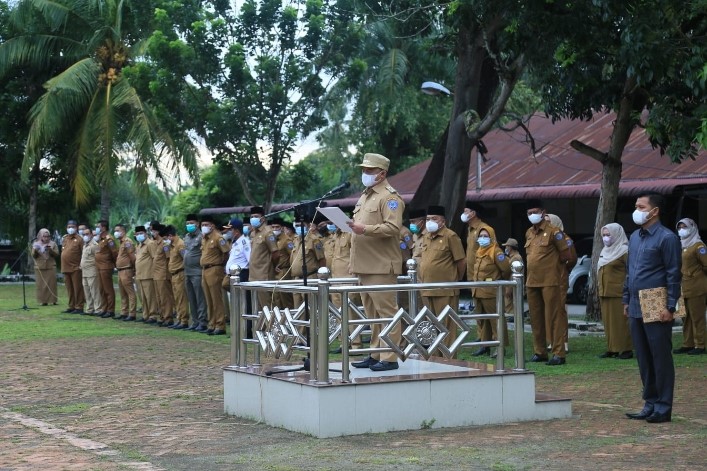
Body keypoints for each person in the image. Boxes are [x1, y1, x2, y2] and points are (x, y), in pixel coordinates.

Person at [623, 192, 681, 424]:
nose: (636, 210)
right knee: (644, 357)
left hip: (656, 300)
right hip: (636, 301)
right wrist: (626, 299)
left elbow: (674, 273)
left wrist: (670, 306)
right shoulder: (635, 237)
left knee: (660, 357)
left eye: (641, 206)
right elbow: (629, 271)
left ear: (654, 211)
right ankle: (650, 402)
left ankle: (663, 407)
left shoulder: (667, 238)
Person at [348, 153, 405, 372]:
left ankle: (390, 356)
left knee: (387, 313)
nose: (365, 174)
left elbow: (393, 228)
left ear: (382, 173)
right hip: (364, 264)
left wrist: (364, 229)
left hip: (381, 265)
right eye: (364, 170)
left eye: (370, 170)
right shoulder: (365, 196)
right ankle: (375, 353)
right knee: (372, 314)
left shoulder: (390, 198)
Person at [524, 200, 572, 366]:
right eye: (529, 213)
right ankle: (540, 351)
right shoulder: (529, 232)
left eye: (535, 212)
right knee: (535, 318)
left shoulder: (554, 231)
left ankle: (558, 353)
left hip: (550, 281)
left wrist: (555, 270)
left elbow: (566, 255)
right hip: (532, 281)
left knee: (554, 317)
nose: (532, 215)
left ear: (543, 212)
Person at [419, 205, 466, 356]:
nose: (430, 221)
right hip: (427, 289)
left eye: (434, 219)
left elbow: (461, 261)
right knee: (430, 326)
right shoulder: (426, 236)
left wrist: (454, 280)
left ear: (443, 221)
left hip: (445, 290)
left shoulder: (450, 236)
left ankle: (448, 358)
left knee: (446, 326)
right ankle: (434, 356)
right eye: (428, 219)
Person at [471, 226, 511, 357]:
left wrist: (497, 282)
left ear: (492, 237)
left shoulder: (496, 252)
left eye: (485, 236)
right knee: (483, 320)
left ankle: (500, 347)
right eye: (480, 236)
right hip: (478, 291)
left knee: (496, 320)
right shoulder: (479, 251)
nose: (482, 239)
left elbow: (506, 269)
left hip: (491, 292)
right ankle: (485, 345)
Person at [597, 223, 633, 359]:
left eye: (608, 235)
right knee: (608, 322)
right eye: (604, 235)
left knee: (621, 322)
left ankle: (626, 349)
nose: (606, 238)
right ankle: (612, 348)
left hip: (619, 292)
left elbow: (630, 271)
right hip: (605, 292)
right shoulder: (605, 250)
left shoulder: (624, 250)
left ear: (617, 234)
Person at [673, 218, 706, 355]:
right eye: (679, 227)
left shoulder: (698, 246)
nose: (681, 229)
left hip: (696, 286)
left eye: (684, 226)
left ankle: (701, 345)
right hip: (683, 287)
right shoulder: (682, 245)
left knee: (697, 316)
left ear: (692, 227)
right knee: (685, 316)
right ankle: (688, 343)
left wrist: (695, 275)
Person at [545, 214, 577, 353]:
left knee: (559, 310)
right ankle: (551, 341)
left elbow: (572, 259)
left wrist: (560, 267)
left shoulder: (565, 240)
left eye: (548, 222)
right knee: (548, 310)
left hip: (559, 278)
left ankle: (562, 341)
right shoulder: (543, 238)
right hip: (545, 279)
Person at [462, 204, 493, 337]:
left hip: (484, 275)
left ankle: (494, 339)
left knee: (489, 310)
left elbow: (491, 251)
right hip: (473, 275)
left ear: (473, 213)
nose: (463, 214)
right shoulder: (470, 229)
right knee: (478, 309)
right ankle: (482, 338)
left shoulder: (484, 229)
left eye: (466, 211)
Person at [200, 214, 230, 335]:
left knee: (216, 298)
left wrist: (220, 265)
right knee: (209, 298)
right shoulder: (205, 238)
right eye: (202, 225)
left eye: (206, 225)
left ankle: (220, 324)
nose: (204, 227)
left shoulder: (218, 238)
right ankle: (212, 323)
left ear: (212, 226)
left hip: (214, 269)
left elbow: (226, 253)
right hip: (205, 270)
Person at [248, 206, 280, 311]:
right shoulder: (253, 233)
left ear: (263, 218)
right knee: (257, 307)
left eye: (256, 216)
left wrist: (273, 266)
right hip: (253, 275)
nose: (253, 218)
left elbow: (275, 253)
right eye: (252, 216)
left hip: (264, 275)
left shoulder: (268, 233)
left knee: (267, 306)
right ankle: (260, 328)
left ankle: (270, 327)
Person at [289, 220, 326, 308]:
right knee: (297, 308)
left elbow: (321, 259)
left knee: (311, 306)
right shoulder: (296, 240)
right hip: (296, 278)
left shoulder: (314, 240)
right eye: (297, 225)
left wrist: (320, 277)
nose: (299, 227)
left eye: (301, 225)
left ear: (308, 225)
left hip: (310, 277)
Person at [183, 214, 208, 331]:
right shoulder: (187, 237)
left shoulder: (202, 236)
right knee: (191, 298)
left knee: (200, 298)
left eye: (191, 223)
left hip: (197, 271)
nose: (189, 225)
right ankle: (195, 321)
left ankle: (202, 322)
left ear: (197, 224)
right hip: (187, 272)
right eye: (187, 223)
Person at [166, 225, 190, 329]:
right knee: (176, 298)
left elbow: (185, 258)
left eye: (167, 237)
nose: (167, 239)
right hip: (174, 275)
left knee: (181, 298)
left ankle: (184, 320)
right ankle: (179, 318)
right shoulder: (172, 245)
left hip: (180, 273)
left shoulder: (180, 244)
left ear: (171, 235)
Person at [94, 220, 118, 318]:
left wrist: (113, 264)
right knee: (101, 289)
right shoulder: (100, 239)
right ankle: (104, 308)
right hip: (99, 267)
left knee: (108, 289)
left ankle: (110, 310)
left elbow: (114, 253)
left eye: (98, 226)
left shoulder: (109, 239)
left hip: (106, 267)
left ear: (103, 228)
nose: (96, 228)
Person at [151, 224, 174, 327]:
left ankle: (168, 317)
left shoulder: (164, 244)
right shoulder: (156, 244)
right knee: (159, 297)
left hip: (163, 274)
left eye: (154, 231)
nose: (152, 233)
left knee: (165, 297)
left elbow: (169, 258)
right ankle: (162, 316)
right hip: (156, 274)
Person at [134, 226, 158, 323]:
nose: (139, 235)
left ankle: (152, 315)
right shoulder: (139, 245)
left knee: (150, 296)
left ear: (145, 233)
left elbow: (154, 258)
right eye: (137, 234)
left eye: (141, 233)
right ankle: (145, 315)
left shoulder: (150, 244)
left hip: (148, 274)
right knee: (142, 297)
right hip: (139, 275)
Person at [60, 219, 84, 313]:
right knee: (69, 289)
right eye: (69, 227)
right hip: (65, 268)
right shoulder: (65, 238)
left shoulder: (79, 239)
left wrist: (81, 265)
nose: (70, 229)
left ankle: (79, 306)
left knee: (77, 288)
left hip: (75, 268)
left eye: (72, 227)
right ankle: (71, 306)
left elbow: (83, 253)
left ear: (76, 228)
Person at [114, 224, 137, 321]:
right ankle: (124, 312)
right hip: (120, 270)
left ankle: (132, 314)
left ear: (123, 231)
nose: (116, 232)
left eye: (118, 230)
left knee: (130, 293)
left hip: (126, 269)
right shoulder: (121, 242)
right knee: (123, 293)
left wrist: (133, 268)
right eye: (115, 230)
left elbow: (132, 256)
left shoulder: (127, 242)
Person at [269, 218, 293, 310]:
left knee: (285, 298)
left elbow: (293, 256)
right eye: (273, 227)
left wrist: (289, 268)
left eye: (277, 227)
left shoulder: (287, 241)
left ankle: (289, 320)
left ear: (282, 228)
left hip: (284, 270)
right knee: (276, 297)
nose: (275, 229)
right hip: (275, 271)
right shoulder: (273, 239)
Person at [31, 228, 59, 305]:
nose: (46, 238)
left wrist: (50, 250)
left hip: (51, 266)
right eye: (44, 236)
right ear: (40, 236)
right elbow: (33, 255)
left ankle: (53, 300)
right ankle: (43, 301)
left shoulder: (53, 243)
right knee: (41, 285)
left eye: (48, 236)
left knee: (52, 284)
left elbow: (56, 254)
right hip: (40, 267)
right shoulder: (36, 244)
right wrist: (36, 250)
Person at [79, 226, 102, 316]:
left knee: (94, 291)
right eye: (83, 234)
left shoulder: (95, 245)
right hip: (84, 272)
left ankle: (98, 309)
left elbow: (98, 259)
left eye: (87, 234)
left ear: (92, 234)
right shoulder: (85, 245)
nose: (85, 236)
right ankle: (89, 309)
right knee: (87, 291)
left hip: (92, 271)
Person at [501, 238, 523, 315]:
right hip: (511, 285)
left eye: (506, 247)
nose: (505, 248)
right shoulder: (513, 257)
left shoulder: (516, 258)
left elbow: (513, 274)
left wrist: (509, 288)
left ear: (510, 247)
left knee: (510, 307)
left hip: (512, 286)